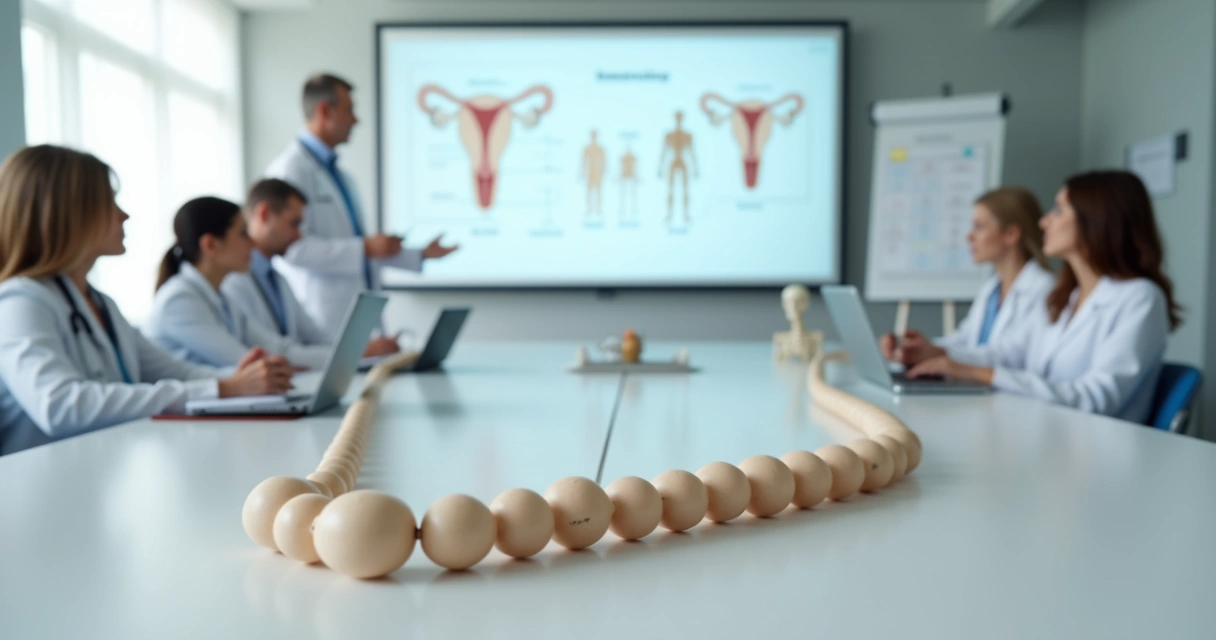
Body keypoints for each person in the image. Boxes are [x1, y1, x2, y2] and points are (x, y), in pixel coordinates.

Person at [0, 145, 294, 456]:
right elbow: (60, 406)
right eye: (109, 203)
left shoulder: (101, 304)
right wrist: (225, 388)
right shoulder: (20, 301)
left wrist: (239, 381)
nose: (123, 215)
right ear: (67, 214)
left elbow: (175, 372)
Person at [908, 171, 1181, 424]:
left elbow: (1095, 398)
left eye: (1059, 210)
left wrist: (979, 373)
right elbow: (1007, 353)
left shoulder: (1140, 298)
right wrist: (937, 355)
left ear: (1096, 220)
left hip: (1099, 451)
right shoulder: (1065, 297)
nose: (1043, 221)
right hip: (1048, 431)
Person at [265, 73, 458, 336]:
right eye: (349, 110)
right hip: (323, 315)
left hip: (357, 312)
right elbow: (292, 249)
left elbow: (360, 251)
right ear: (325, 111)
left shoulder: (342, 177)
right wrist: (365, 247)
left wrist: (419, 254)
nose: (356, 119)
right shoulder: (290, 170)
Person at [144, 196, 332, 369]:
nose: (254, 243)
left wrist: (349, 356)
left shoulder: (223, 298)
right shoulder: (179, 300)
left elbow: (277, 349)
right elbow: (247, 364)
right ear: (210, 245)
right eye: (244, 233)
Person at [220, 179, 400, 358]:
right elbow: (272, 350)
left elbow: (314, 335)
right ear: (264, 213)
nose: (299, 236)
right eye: (294, 223)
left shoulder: (278, 278)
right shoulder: (232, 281)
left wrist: (360, 347)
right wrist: (357, 352)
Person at [881, 186, 1056, 366]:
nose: (969, 237)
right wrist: (918, 347)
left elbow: (1009, 355)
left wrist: (938, 353)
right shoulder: (991, 289)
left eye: (979, 227)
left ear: (1011, 234)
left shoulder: (1044, 290)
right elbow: (965, 339)